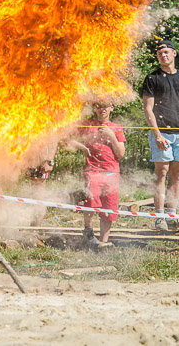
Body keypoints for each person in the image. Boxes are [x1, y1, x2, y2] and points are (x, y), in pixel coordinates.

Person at [142, 39, 179, 232]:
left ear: (174, 53)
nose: (163, 55)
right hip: (162, 133)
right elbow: (148, 109)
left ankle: (172, 217)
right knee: (161, 173)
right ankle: (159, 218)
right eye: (159, 53)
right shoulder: (152, 78)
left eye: (166, 52)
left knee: (177, 174)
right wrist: (157, 135)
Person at [66, 101, 126, 249]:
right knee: (91, 200)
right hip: (92, 170)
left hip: (112, 171)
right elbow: (67, 138)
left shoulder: (116, 128)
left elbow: (120, 154)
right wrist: (83, 148)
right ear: (94, 108)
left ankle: (103, 243)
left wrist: (111, 136)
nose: (102, 109)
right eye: (98, 106)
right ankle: (89, 234)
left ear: (111, 108)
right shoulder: (88, 124)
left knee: (109, 206)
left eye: (105, 106)